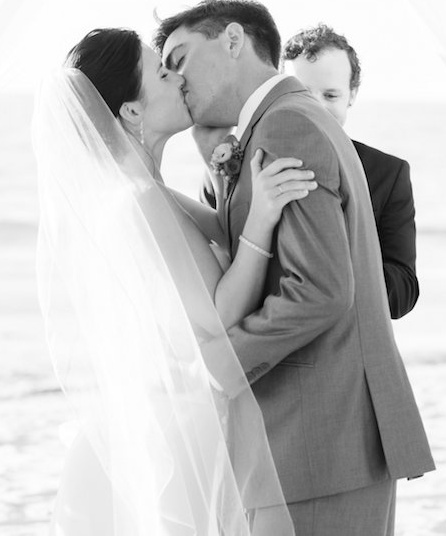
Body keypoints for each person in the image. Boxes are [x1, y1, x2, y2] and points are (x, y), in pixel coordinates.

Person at [155, 0, 434, 536]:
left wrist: (219, 363)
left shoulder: (287, 126)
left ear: (233, 40)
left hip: (317, 442)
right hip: (315, 442)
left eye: (180, 57)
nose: (176, 78)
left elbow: (321, 291)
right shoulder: (283, 119)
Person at [33, 27, 318, 534]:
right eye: (162, 72)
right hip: (184, 436)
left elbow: (220, 233)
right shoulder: (139, 200)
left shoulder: (142, 192)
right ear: (132, 112)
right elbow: (220, 312)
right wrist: (265, 217)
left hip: (171, 425)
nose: (179, 77)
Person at [283, 24, 419, 319]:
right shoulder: (245, 163)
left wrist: (335, 258)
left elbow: (403, 294)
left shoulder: (388, 173)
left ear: (352, 95)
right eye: (301, 93)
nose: (315, 107)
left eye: (330, 95)